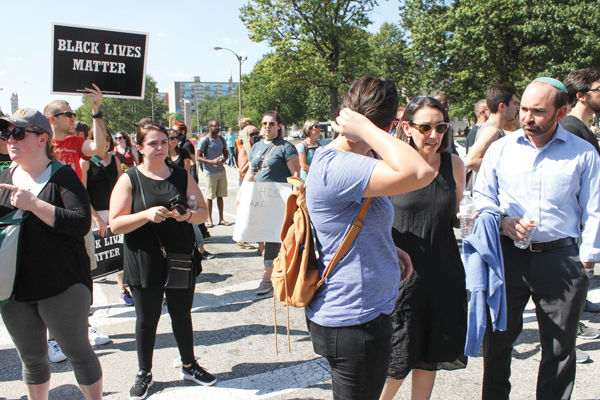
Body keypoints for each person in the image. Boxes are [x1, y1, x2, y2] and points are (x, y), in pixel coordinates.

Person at [305, 76, 436, 400]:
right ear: (392, 123)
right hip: (353, 320)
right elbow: (421, 172)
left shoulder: (349, 161)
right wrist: (369, 130)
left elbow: (344, 223)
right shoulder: (340, 165)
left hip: (354, 314)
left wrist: (387, 247)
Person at [474, 77, 600, 399]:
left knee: (559, 351)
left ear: (562, 112)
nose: (528, 118)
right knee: (498, 342)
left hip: (561, 260)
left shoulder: (583, 154)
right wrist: (503, 222)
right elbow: (482, 197)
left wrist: (586, 262)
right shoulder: (500, 150)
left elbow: (595, 209)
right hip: (508, 258)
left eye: (539, 112)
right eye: (525, 109)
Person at [0, 108, 103, 400]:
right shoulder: (3, 175)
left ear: (43, 138)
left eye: (19, 132)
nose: (10, 139)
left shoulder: (62, 176)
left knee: (78, 352)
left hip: (61, 283)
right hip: (13, 288)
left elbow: (79, 222)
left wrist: (33, 203)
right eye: (6, 133)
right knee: (31, 359)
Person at [109, 122, 216, 400]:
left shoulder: (180, 175)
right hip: (144, 257)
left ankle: (189, 365)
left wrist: (186, 216)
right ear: (140, 148)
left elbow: (202, 212)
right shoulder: (129, 178)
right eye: (152, 143)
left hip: (179, 255)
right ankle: (144, 372)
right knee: (147, 319)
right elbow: (115, 224)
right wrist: (145, 215)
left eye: (164, 141)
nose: (159, 147)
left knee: (182, 314)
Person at [379, 96, 467, 400]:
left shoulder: (453, 164)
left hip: (444, 272)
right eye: (425, 127)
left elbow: (456, 216)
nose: (434, 135)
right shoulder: (390, 165)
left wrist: (472, 217)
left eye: (441, 126)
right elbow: (373, 222)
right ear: (407, 127)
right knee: (397, 356)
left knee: (431, 352)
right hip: (402, 275)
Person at [242, 111, 300, 295]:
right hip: (259, 199)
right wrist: (241, 194)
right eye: (264, 123)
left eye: (271, 124)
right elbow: (251, 173)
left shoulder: (286, 147)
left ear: (279, 126)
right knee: (262, 236)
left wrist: (296, 198)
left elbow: (296, 175)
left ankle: (267, 278)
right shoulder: (256, 147)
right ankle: (280, 268)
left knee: (273, 237)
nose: (267, 127)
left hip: (280, 200)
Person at [80, 132, 131, 305]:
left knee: (119, 250)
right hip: (97, 214)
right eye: (103, 139)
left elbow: (120, 185)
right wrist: (96, 218)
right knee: (96, 256)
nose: (107, 142)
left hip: (115, 211)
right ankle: (89, 299)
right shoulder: (85, 162)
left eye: (108, 139)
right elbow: (82, 193)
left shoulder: (115, 159)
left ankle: (122, 288)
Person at [43, 84, 107, 180]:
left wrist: (95, 110)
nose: (73, 118)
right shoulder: (40, 144)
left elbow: (99, 148)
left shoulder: (76, 142)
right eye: (68, 114)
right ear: (52, 119)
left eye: (74, 114)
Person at [465, 85, 518, 175]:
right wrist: (504, 172)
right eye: (515, 103)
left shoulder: (494, 129)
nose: (517, 108)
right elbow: (471, 161)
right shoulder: (491, 130)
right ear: (502, 107)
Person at [197, 120, 230, 227]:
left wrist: (223, 160)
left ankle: (221, 219)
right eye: (215, 126)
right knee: (210, 196)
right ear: (209, 127)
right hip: (210, 172)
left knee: (220, 196)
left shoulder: (221, 139)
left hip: (220, 170)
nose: (217, 128)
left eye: (218, 126)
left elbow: (226, 153)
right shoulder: (205, 140)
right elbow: (198, 157)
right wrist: (211, 162)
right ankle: (209, 219)